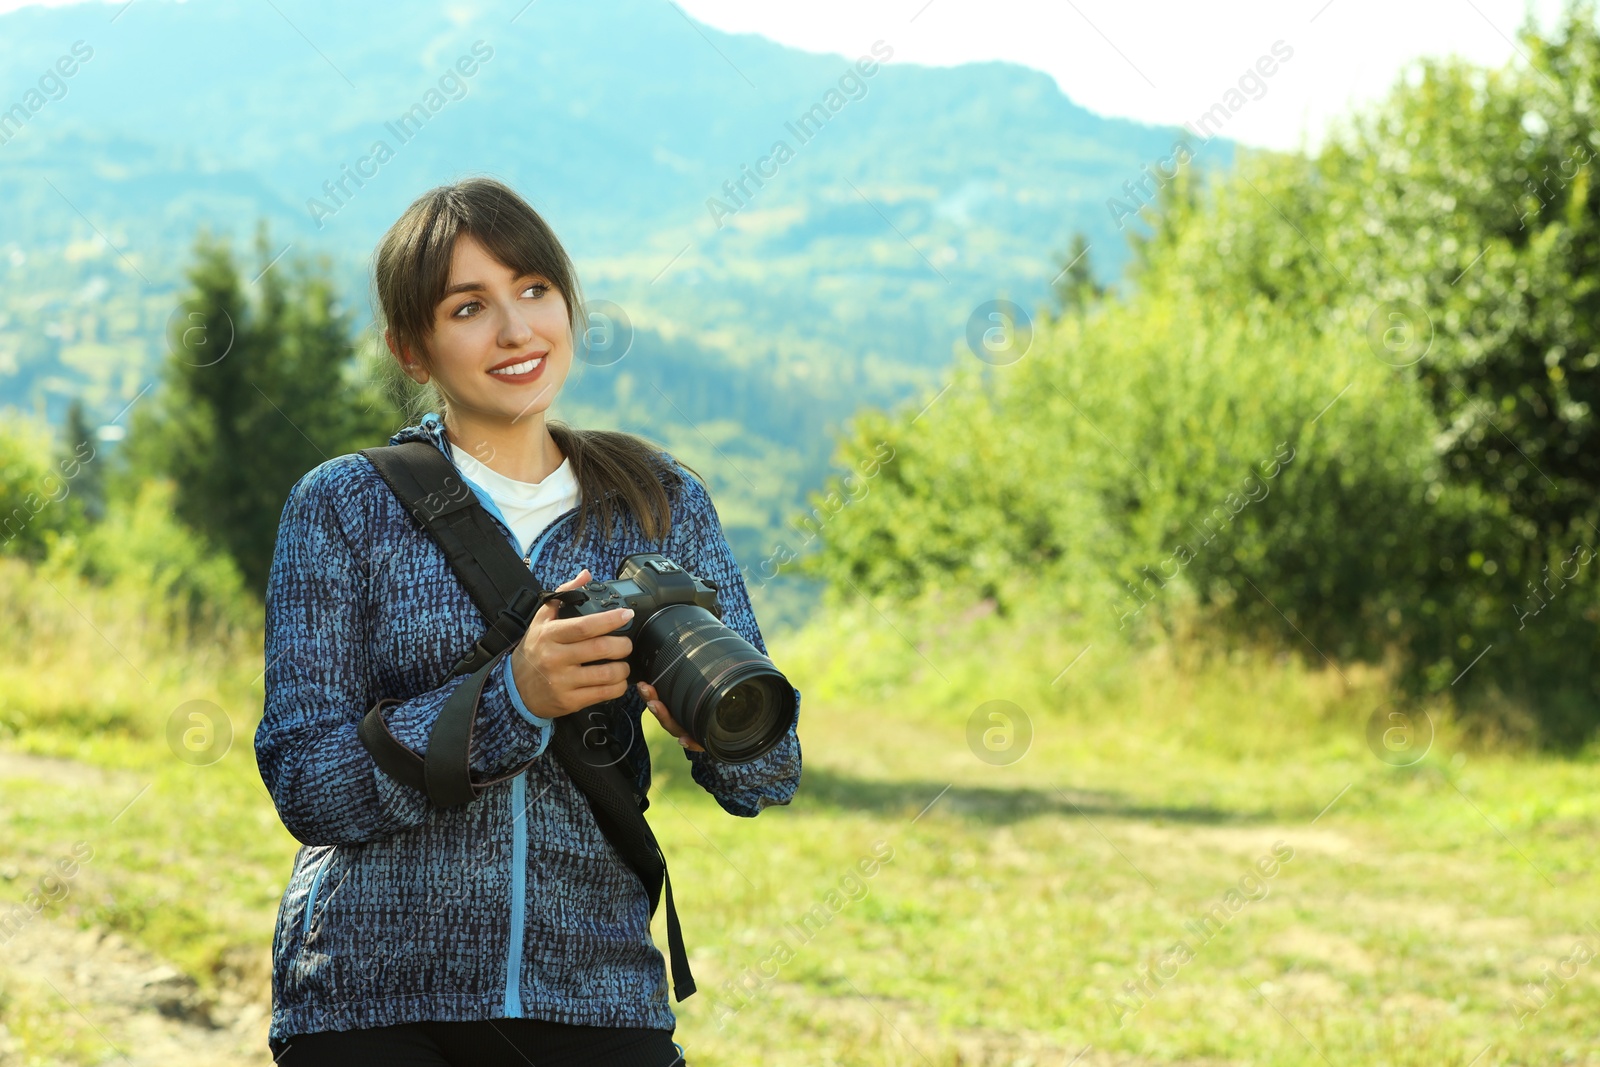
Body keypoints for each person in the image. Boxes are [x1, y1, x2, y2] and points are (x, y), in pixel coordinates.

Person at [254, 176, 803, 1066]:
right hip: (374, 1001)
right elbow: (305, 780)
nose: (516, 330)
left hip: (599, 995)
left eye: (535, 290)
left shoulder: (658, 504)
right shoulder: (343, 505)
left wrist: (714, 732)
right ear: (413, 348)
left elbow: (770, 769)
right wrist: (514, 697)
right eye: (469, 307)